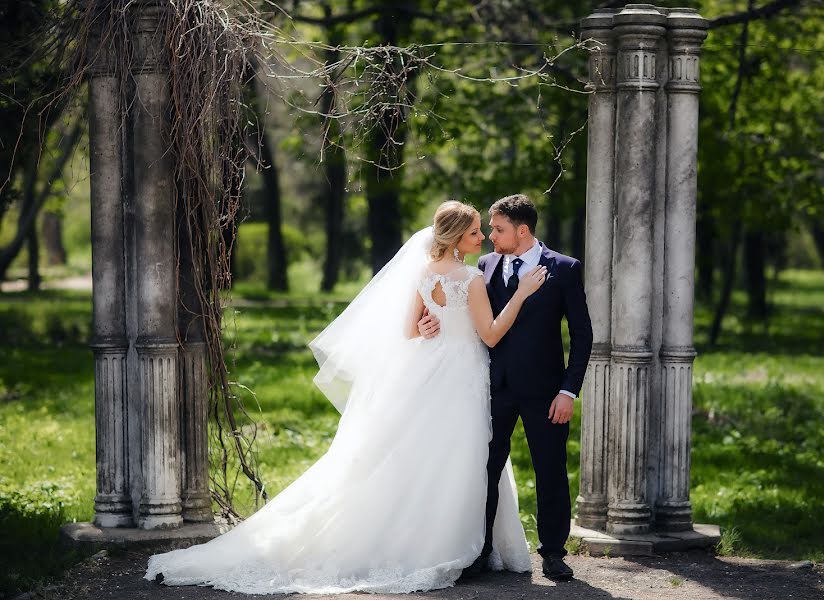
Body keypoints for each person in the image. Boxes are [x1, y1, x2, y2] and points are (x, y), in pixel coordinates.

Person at [143, 201, 542, 594]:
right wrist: (521, 293)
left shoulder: (424, 273)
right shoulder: (471, 279)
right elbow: (489, 334)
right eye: (475, 231)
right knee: (460, 458)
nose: (482, 238)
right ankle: (446, 545)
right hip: (459, 376)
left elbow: (408, 331)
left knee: (422, 458)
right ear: (457, 237)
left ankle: (423, 539)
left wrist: (425, 325)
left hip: (429, 371)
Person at [418, 194, 593, 581]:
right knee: (484, 469)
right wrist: (425, 326)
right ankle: (478, 550)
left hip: (546, 392)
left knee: (550, 470)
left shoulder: (563, 269)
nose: (490, 237)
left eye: (497, 230)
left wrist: (569, 391)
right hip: (489, 386)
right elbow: (466, 319)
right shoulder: (485, 265)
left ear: (522, 230)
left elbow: (582, 335)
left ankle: (552, 553)